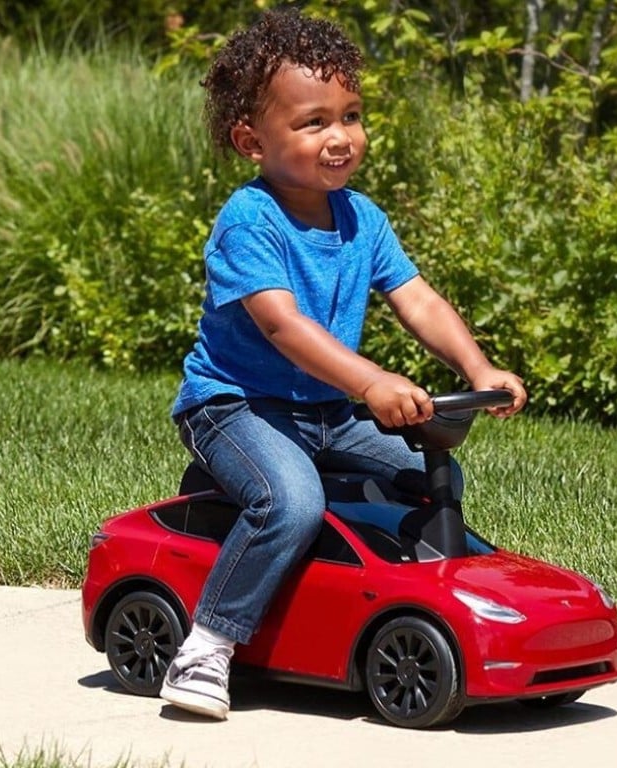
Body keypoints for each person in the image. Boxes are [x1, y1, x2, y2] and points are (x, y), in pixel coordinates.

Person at [161, 7, 527, 719]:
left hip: (325, 414)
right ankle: (208, 645)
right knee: (291, 502)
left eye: (350, 116)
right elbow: (283, 327)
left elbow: (418, 300)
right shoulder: (248, 221)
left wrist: (479, 370)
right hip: (236, 407)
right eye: (313, 123)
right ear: (250, 140)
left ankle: (402, 599)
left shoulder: (363, 218)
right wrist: (370, 380)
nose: (340, 137)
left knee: (423, 477)